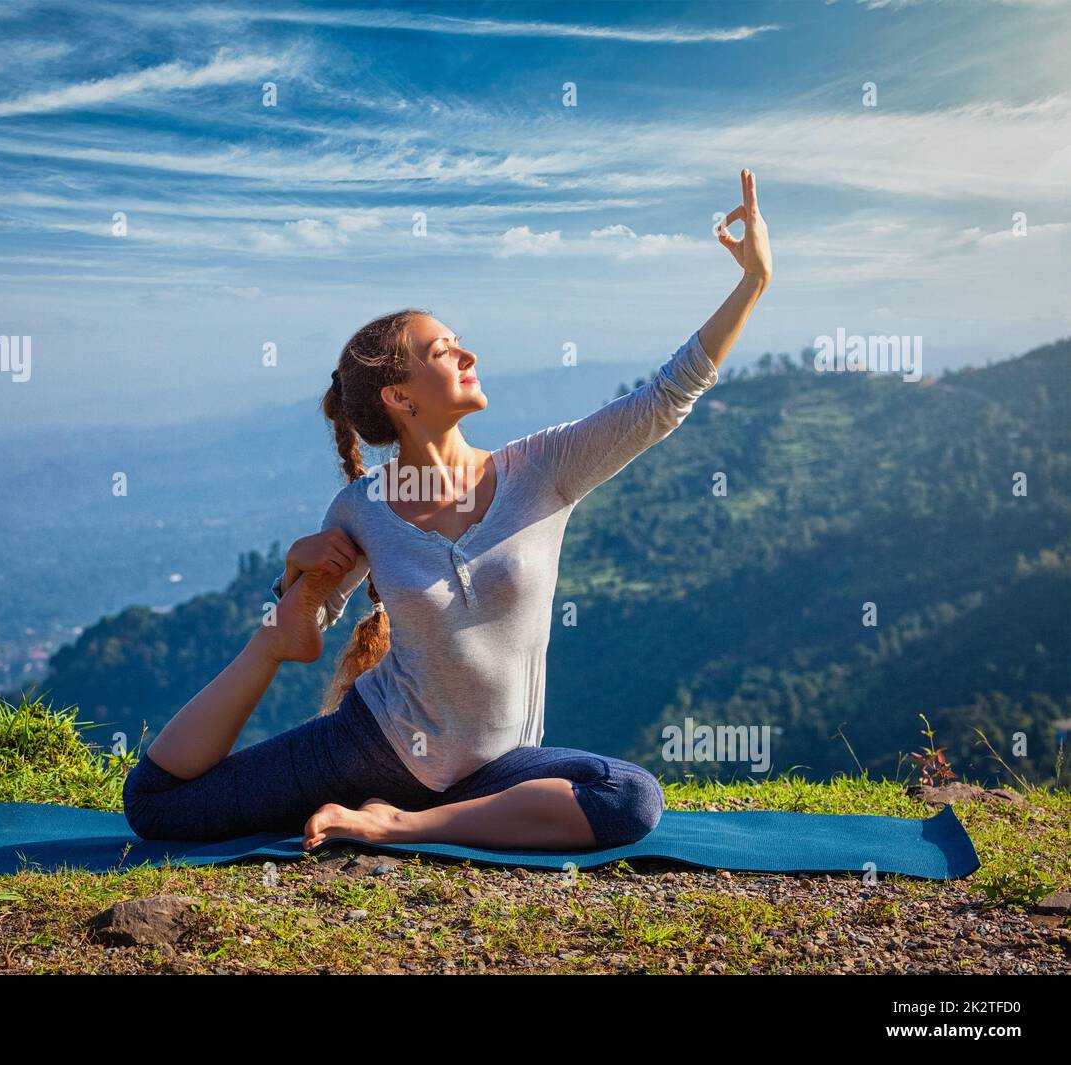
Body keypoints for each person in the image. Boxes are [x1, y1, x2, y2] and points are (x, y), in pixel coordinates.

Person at [123, 169, 772, 851]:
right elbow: (311, 623)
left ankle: (401, 825)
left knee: (630, 797)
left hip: (495, 774)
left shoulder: (543, 468)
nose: (468, 354)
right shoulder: (361, 508)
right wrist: (294, 580)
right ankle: (394, 807)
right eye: (443, 351)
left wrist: (753, 281)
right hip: (369, 747)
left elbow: (665, 399)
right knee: (158, 806)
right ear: (401, 399)